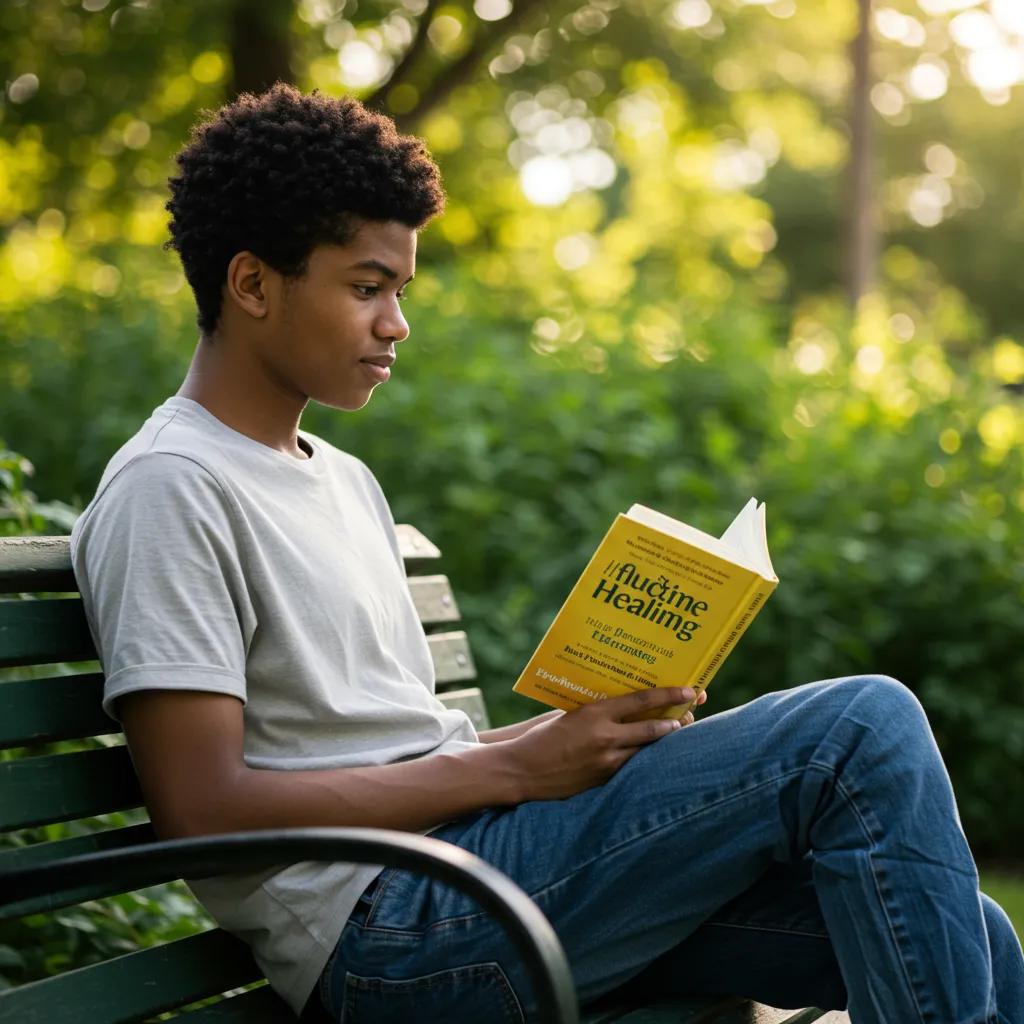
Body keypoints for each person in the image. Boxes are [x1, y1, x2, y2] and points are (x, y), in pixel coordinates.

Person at [69, 83, 1023, 1024]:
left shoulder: (340, 479)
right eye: (366, 289)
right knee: (860, 725)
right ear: (251, 284)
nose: (396, 323)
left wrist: (567, 743)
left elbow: (399, 746)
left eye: (399, 291)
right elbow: (202, 809)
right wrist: (521, 772)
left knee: (974, 932)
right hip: (393, 933)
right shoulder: (172, 487)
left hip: (478, 870)